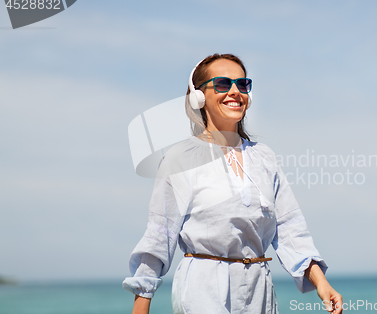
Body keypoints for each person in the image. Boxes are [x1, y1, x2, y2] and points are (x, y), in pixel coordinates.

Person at [123, 53, 343, 314]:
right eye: (223, 84)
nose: (235, 92)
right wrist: (141, 304)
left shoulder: (265, 157)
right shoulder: (180, 158)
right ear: (199, 96)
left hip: (259, 289)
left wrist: (321, 283)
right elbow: (160, 236)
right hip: (203, 289)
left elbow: (289, 230)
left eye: (243, 84)